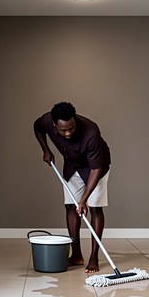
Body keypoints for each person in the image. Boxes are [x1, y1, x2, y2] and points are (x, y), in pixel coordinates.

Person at [34, 101, 111, 273]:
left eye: (71, 128)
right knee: (70, 207)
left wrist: (83, 201)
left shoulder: (91, 131)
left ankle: (94, 257)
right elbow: (37, 126)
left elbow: (95, 169)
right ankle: (76, 255)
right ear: (54, 125)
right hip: (72, 165)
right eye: (63, 130)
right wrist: (45, 149)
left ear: (75, 120)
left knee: (95, 208)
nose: (68, 132)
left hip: (96, 168)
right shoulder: (47, 120)